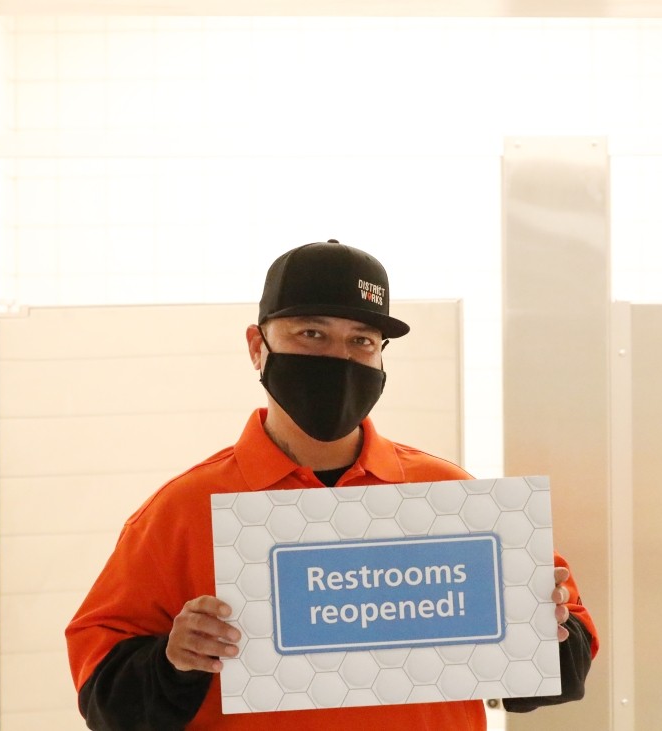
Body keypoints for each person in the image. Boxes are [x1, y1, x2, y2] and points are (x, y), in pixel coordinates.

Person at [66, 241, 599, 730]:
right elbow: (105, 700)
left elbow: (564, 660)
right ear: (258, 346)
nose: (339, 359)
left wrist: (543, 632)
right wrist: (173, 659)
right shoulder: (182, 511)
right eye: (312, 334)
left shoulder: (449, 496)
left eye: (361, 341)